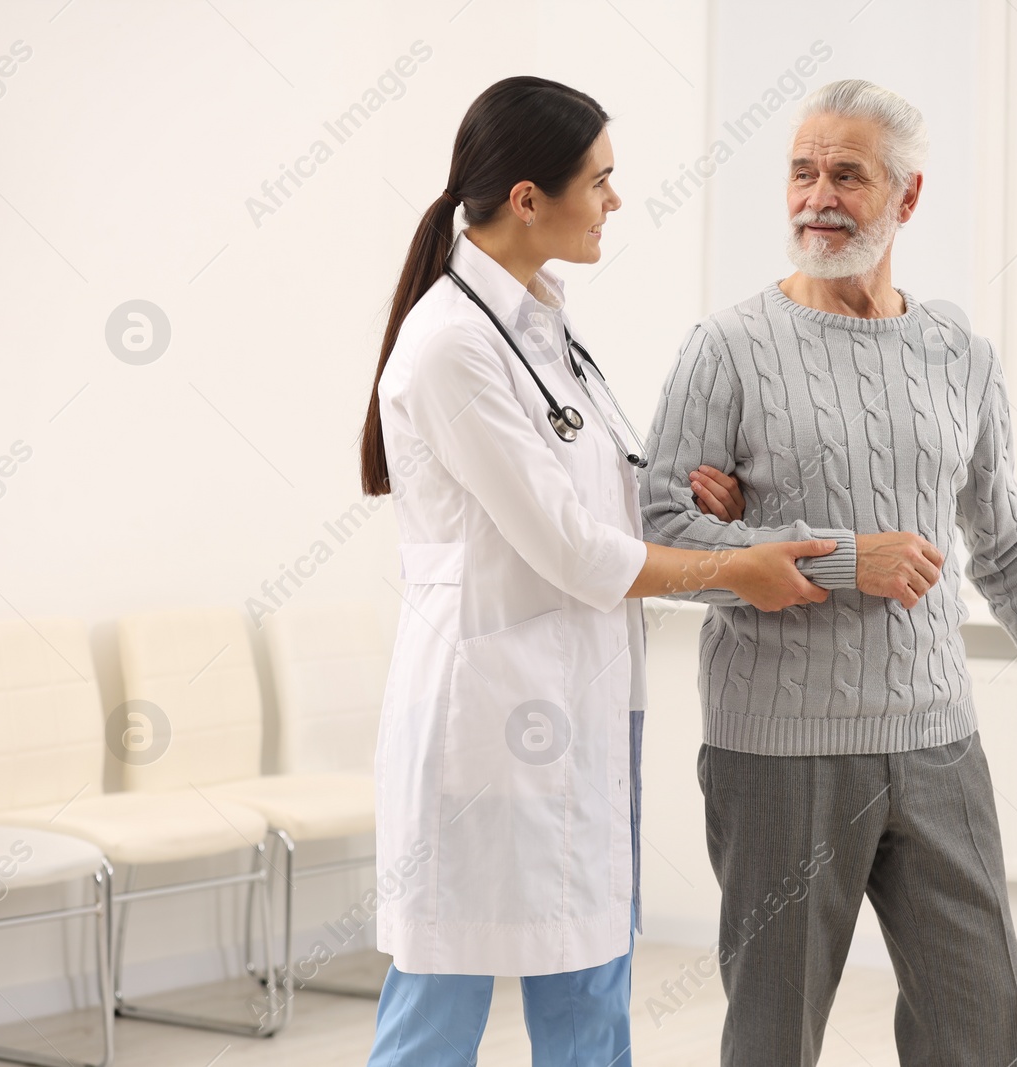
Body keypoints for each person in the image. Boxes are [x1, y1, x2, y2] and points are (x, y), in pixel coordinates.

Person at [639, 78, 1017, 1066]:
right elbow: (658, 546)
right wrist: (843, 559)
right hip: (779, 752)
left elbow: (1001, 537)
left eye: (847, 174)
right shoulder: (726, 350)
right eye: (800, 172)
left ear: (907, 197)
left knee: (978, 1025)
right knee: (773, 1037)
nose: (816, 196)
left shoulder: (957, 353)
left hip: (936, 738)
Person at [356, 75, 843, 1067]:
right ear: (528, 196)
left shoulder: (546, 328)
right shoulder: (449, 346)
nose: (616, 201)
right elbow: (570, 550)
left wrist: (696, 505)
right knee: (439, 1007)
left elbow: (598, 502)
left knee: (590, 987)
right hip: (486, 718)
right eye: (601, 181)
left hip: (583, 703)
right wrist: (735, 571)